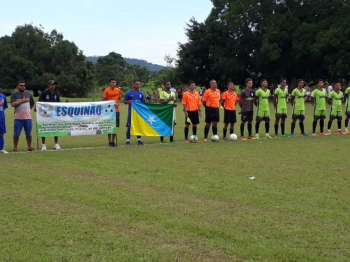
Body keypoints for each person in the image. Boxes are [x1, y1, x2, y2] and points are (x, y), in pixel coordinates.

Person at [11, 80, 35, 152]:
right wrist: (22, 101)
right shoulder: (14, 95)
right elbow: (13, 104)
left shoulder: (29, 94)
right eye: (21, 85)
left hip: (28, 118)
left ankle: (29, 147)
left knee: (29, 134)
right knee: (16, 134)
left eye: (24, 85)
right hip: (18, 118)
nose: (23, 87)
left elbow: (32, 104)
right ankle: (15, 148)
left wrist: (26, 110)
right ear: (17, 86)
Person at [38, 80, 62, 150]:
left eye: (54, 84)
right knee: (44, 128)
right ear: (48, 85)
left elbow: (59, 103)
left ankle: (56, 144)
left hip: (54, 115)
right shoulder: (44, 93)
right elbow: (39, 102)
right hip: (46, 114)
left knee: (55, 128)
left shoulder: (56, 94)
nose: (53, 86)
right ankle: (43, 144)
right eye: (52, 84)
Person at [124, 80, 145, 146]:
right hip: (131, 112)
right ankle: (127, 141)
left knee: (138, 126)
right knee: (129, 126)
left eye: (139, 84)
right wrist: (128, 102)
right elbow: (125, 101)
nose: (138, 85)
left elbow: (143, 103)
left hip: (138, 113)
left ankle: (139, 141)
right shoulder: (129, 93)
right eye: (137, 84)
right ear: (133, 85)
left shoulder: (141, 93)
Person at [103, 78, 122, 147]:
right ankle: (109, 141)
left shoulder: (118, 90)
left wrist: (117, 103)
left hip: (116, 110)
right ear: (109, 83)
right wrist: (111, 104)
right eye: (112, 82)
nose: (114, 83)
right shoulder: (106, 90)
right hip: (109, 111)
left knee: (115, 126)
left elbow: (119, 98)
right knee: (109, 126)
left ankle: (113, 141)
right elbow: (104, 100)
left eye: (115, 82)